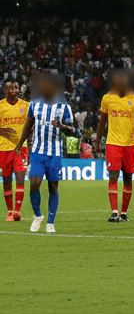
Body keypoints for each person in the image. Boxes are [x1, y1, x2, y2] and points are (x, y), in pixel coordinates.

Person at [15, 72, 79, 234]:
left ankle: (51, 222)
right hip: (37, 152)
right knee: (34, 184)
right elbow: (28, 126)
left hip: (55, 153)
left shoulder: (64, 108)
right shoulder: (34, 105)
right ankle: (38, 216)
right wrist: (19, 144)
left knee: (52, 187)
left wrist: (62, 127)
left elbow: (73, 132)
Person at [95, 70, 134, 223]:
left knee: (128, 178)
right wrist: (97, 140)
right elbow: (102, 120)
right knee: (113, 175)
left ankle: (124, 213)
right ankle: (114, 212)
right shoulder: (107, 98)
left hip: (130, 144)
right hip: (113, 143)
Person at [0, 80, 29, 221]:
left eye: (16, 87)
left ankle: (17, 212)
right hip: (3, 148)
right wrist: (1, 130)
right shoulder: (0, 106)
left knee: (20, 177)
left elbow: (31, 126)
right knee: (6, 180)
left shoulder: (25, 106)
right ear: (5, 90)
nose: (14, 89)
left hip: (20, 148)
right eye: (10, 87)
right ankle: (9, 211)